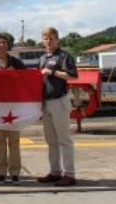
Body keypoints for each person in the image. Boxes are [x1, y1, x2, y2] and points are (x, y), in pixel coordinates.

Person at [37, 27, 79, 187]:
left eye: (51, 38)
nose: (48, 41)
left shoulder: (64, 56)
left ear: (57, 40)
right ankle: (55, 171)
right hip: (45, 101)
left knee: (64, 139)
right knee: (51, 140)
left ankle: (70, 174)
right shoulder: (41, 58)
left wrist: (52, 72)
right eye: (45, 38)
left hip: (59, 100)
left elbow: (73, 76)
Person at [0, 33, 26, 185]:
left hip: (14, 107)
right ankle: (1, 173)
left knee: (14, 142)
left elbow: (26, 81)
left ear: (8, 45)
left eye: (4, 42)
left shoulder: (17, 63)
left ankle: (15, 173)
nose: (1, 45)